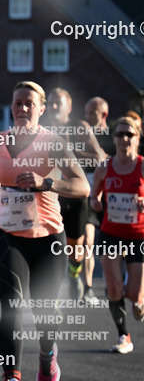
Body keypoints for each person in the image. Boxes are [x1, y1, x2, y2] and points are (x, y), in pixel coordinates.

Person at [0, 81, 89, 381]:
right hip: (7, 235)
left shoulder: (53, 142)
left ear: (41, 109)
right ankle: (11, 378)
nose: (22, 108)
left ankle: (47, 353)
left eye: (29, 103)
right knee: (11, 305)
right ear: (11, 106)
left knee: (45, 313)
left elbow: (81, 185)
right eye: (17, 103)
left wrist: (47, 183)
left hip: (47, 239)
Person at [90, 113, 144, 354]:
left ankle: (140, 299)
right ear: (114, 138)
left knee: (134, 294)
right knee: (113, 289)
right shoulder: (105, 167)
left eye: (129, 134)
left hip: (138, 234)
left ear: (137, 138)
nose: (125, 139)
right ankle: (124, 336)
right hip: (110, 232)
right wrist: (96, 203)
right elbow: (94, 196)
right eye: (120, 134)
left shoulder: (143, 166)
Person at [43, 88, 104, 299]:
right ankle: (53, 291)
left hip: (76, 196)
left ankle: (74, 274)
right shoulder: (42, 130)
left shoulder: (79, 127)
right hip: (50, 197)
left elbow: (100, 157)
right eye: (49, 103)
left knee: (77, 249)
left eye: (57, 103)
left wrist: (69, 153)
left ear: (69, 107)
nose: (53, 107)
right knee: (48, 247)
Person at [82, 97, 114, 302]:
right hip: (88, 195)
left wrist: (93, 146)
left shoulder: (115, 136)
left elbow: (108, 160)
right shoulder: (78, 136)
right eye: (86, 112)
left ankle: (114, 284)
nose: (88, 117)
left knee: (114, 245)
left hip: (112, 197)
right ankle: (88, 288)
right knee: (87, 241)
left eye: (92, 113)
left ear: (104, 115)